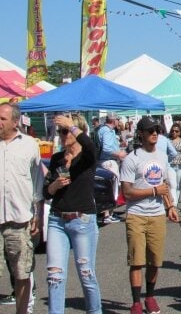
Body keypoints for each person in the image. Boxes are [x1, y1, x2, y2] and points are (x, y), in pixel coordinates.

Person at [120, 116, 179, 314]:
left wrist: (170, 206)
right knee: (137, 261)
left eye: (157, 130)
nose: (155, 133)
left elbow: (164, 185)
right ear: (141, 134)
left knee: (155, 261)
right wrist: (153, 192)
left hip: (157, 215)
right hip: (136, 215)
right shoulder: (132, 159)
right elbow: (127, 192)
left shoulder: (162, 156)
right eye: (150, 130)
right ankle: (136, 302)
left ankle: (150, 298)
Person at [44, 114, 102, 314]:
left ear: (77, 132)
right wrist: (54, 185)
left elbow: (92, 147)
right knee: (54, 276)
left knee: (87, 275)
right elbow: (45, 192)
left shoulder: (86, 158)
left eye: (66, 131)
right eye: (60, 131)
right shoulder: (57, 159)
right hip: (57, 220)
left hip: (82, 220)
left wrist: (72, 126)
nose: (62, 135)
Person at [0, 103, 44, 314]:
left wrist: (38, 214)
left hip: (19, 221)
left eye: (2, 118)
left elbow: (37, 184)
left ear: (15, 121)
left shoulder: (28, 145)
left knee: (22, 274)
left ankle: (22, 311)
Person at [96, 112, 127, 224]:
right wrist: (119, 154)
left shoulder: (108, 131)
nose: (119, 122)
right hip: (108, 162)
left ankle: (108, 213)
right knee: (111, 189)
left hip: (107, 161)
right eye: (118, 120)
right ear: (114, 120)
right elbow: (107, 149)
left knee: (111, 188)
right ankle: (107, 214)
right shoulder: (106, 131)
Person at [168, 124, 181, 207]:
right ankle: (173, 204)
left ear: (180, 132)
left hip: (180, 164)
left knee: (178, 185)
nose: (174, 132)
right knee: (172, 184)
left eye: (176, 131)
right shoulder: (168, 141)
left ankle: (175, 202)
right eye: (172, 131)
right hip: (170, 164)